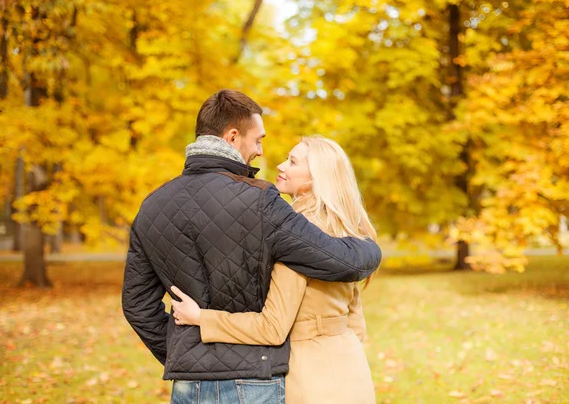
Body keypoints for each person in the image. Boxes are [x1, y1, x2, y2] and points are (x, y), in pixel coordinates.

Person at [121, 90, 382, 404]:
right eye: (258, 140)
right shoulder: (261, 201)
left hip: (189, 383)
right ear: (233, 137)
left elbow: (137, 307)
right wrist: (371, 249)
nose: (260, 152)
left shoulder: (151, 207)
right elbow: (340, 260)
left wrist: (187, 355)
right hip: (254, 380)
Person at [170, 136, 377, 404]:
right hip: (352, 369)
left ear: (316, 177)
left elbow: (272, 328)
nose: (280, 165)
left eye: (292, 161)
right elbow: (355, 320)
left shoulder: (297, 234)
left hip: (311, 378)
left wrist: (201, 317)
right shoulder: (345, 228)